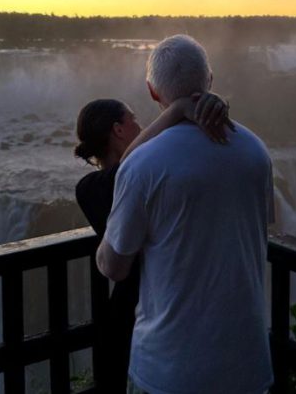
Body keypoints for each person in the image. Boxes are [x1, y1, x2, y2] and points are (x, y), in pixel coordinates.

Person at [96, 34, 275, 394]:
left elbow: (114, 267)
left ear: (152, 91)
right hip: (248, 365)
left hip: (170, 370)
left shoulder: (143, 165)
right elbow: (261, 227)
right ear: (210, 81)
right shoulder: (256, 151)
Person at [73, 93, 231, 393]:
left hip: (145, 308)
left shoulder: (127, 179)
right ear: (119, 130)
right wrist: (176, 111)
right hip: (140, 312)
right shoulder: (96, 187)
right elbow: (126, 171)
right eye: (134, 121)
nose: (143, 126)